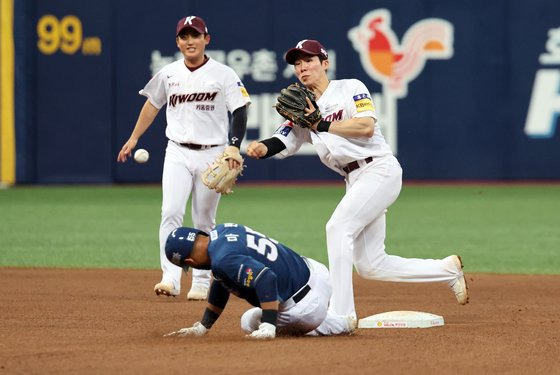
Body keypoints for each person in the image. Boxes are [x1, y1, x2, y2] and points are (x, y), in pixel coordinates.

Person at [246, 39, 468, 319]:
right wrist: (260, 148)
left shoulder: (350, 87)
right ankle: (447, 269)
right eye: (297, 63)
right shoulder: (303, 106)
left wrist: (320, 124)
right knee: (371, 264)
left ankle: (341, 313)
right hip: (354, 179)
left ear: (324, 63)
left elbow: (365, 126)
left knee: (338, 228)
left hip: (379, 170)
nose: (303, 67)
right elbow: (283, 139)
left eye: (309, 61)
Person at [117, 16, 251, 300]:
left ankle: (201, 281)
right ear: (178, 41)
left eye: (195, 35)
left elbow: (240, 109)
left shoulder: (223, 73)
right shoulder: (169, 73)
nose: (190, 41)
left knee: (204, 219)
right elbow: (152, 104)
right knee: (170, 211)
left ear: (207, 39)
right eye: (184, 36)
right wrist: (134, 137)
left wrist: (234, 146)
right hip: (177, 150)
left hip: (213, 152)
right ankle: (170, 277)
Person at [163, 224, 357, 339]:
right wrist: (203, 326)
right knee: (249, 283)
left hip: (307, 308)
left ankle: (333, 324)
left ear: (190, 262)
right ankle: (339, 321)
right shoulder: (224, 229)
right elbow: (222, 279)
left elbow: (266, 278)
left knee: (249, 321)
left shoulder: (222, 260)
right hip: (317, 272)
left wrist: (269, 326)